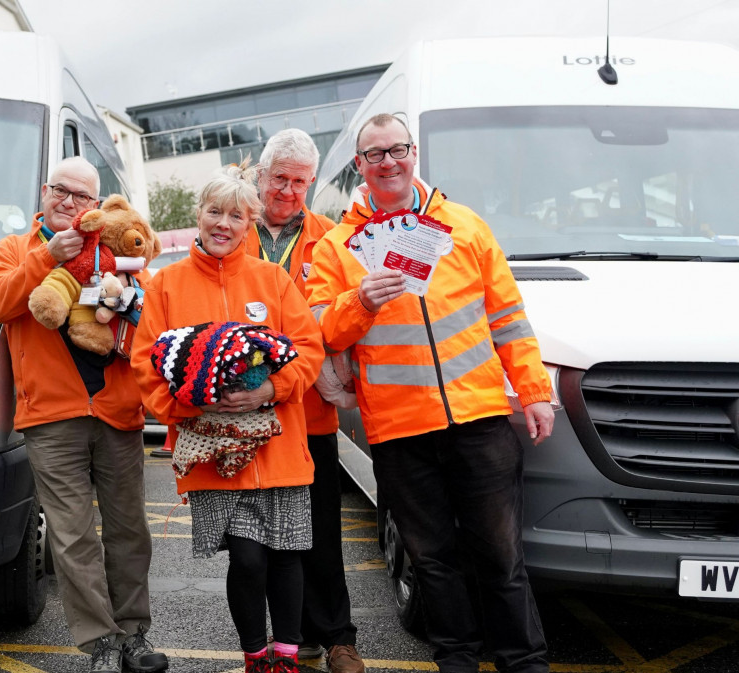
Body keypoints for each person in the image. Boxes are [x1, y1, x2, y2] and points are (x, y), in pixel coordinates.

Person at [305, 113, 556, 673]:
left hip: (480, 417)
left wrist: (534, 390)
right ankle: (457, 660)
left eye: (397, 149)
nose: (388, 162)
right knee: (433, 560)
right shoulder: (338, 247)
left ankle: (524, 662)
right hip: (399, 429)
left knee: (502, 555)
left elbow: (508, 318)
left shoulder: (464, 226)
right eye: (375, 154)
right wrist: (361, 301)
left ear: (413, 152)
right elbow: (322, 330)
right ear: (360, 166)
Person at [131, 160, 324, 673]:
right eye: (215, 211)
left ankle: (285, 658)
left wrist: (270, 389)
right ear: (198, 215)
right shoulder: (166, 285)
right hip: (214, 454)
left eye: (236, 216)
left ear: (250, 224)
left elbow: (308, 351)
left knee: (286, 557)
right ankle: (255, 656)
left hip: (281, 448)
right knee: (249, 558)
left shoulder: (274, 280)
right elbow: (144, 367)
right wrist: (192, 402)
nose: (224, 224)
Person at [0, 157, 168, 673]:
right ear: (44, 192)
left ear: (97, 205)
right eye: (60, 191)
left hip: (117, 411)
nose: (69, 202)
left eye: (81, 196)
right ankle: (101, 645)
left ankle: (133, 636)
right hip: (51, 418)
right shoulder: (13, 251)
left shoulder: (121, 254)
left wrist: (127, 301)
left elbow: (149, 322)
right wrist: (46, 257)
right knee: (72, 535)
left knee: (130, 530)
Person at [248, 129, 365, 673]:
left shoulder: (333, 238)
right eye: (280, 179)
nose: (289, 191)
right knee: (257, 536)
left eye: (299, 181)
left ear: (311, 183)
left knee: (320, 529)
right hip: (246, 411)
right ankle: (284, 637)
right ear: (260, 176)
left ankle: (337, 636)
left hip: (312, 413)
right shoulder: (233, 229)